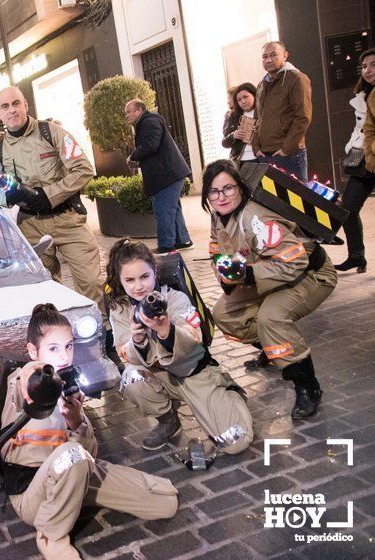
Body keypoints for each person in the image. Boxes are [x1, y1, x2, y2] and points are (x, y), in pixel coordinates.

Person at [0, 303, 178, 560]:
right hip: (33, 496)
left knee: (165, 502)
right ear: (32, 351)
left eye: (68, 346)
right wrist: (38, 377)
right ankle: (52, 538)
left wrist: (75, 419)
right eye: (53, 349)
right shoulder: (21, 381)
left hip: (71, 478)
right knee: (71, 453)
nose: (64, 356)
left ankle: (77, 501)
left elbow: (89, 453)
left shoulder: (68, 386)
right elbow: (26, 380)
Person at [204, 160, 336, 418]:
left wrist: (248, 274)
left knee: (271, 318)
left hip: (310, 274)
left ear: (240, 188)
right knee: (223, 314)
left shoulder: (255, 218)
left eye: (228, 188)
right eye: (214, 191)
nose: (221, 197)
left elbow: (296, 261)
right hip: (269, 276)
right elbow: (215, 247)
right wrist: (223, 268)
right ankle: (271, 346)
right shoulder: (218, 216)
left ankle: (307, 386)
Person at [0, 86, 107, 324]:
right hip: (30, 227)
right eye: (5, 106)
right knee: (45, 292)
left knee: (91, 283)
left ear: (25, 105)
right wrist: (6, 197)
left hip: (67, 220)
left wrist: (48, 195)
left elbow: (83, 169)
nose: (12, 110)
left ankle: (103, 335)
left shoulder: (51, 133)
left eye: (16, 103)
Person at [106, 239, 253, 452]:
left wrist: (166, 329)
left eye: (145, 276)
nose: (138, 286)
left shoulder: (175, 299)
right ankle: (168, 420)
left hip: (194, 375)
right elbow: (126, 356)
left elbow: (194, 339)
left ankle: (230, 395)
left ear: (154, 272)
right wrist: (136, 341)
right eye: (129, 280)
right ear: (120, 280)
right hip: (159, 376)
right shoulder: (119, 310)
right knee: (131, 377)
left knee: (234, 442)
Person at [125, 99, 193, 254]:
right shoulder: (147, 122)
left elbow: (150, 145)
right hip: (169, 173)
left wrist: (133, 156)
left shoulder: (149, 122)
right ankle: (183, 241)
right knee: (172, 209)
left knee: (163, 209)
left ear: (139, 110)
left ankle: (166, 246)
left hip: (167, 174)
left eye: (129, 112)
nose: (127, 115)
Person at [338, 47, 375, 273]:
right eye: (364, 66)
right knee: (348, 207)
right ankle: (357, 256)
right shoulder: (362, 96)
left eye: (373, 65)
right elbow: (361, 127)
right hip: (360, 155)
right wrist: (351, 145)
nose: (368, 70)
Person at [253, 41, 312, 180]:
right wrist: (256, 147)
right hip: (265, 154)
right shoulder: (262, 84)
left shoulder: (296, 78)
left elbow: (303, 117)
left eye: (273, 55)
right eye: (264, 56)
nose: (268, 60)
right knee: (271, 201)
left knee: (298, 199)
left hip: (288, 154)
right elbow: (256, 118)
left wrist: (286, 148)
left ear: (285, 55)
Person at [222, 83, 259, 166]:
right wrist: (233, 135)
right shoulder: (233, 116)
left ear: (254, 95)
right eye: (239, 99)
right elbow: (224, 143)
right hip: (239, 160)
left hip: (261, 158)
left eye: (246, 97)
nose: (243, 101)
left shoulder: (263, 113)